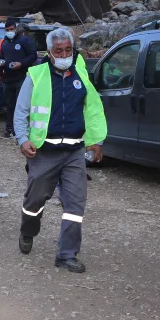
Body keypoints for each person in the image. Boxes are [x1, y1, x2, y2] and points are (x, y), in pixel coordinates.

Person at [13, 28, 107, 273]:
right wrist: (23, 140)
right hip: (44, 152)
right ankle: (28, 230)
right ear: (49, 53)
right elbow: (21, 112)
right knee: (35, 201)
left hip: (74, 152)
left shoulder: (81, 74)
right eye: (59, 51)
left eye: (68, 49)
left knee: (75, 205)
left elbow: (93, 110)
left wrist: (96, 141)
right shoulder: (36, 75)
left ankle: (66, 254)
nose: (65, 54)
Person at [0, 19, 37, 138]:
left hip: (22, 78)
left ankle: (20, 131)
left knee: (20, 106)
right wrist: (0, 73)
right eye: (7, 30)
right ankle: (9, 130)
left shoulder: (24, 40)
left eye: (11, 29)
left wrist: (21, 63)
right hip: (8, 79)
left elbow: (33, 55)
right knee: (9, 105)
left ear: (16, 29)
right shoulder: (4, 43)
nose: (9, 32)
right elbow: (0, 59)